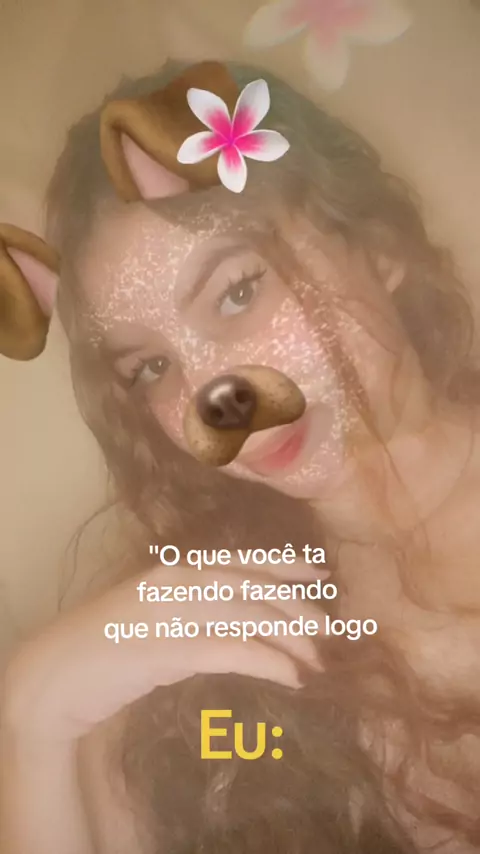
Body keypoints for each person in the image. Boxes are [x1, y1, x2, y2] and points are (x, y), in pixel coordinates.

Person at [1, 58, 480, 851]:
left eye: (237, 291)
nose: (207, 396)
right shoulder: (189, 653)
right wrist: (33, 724)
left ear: (377, 245)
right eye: (151, 367)